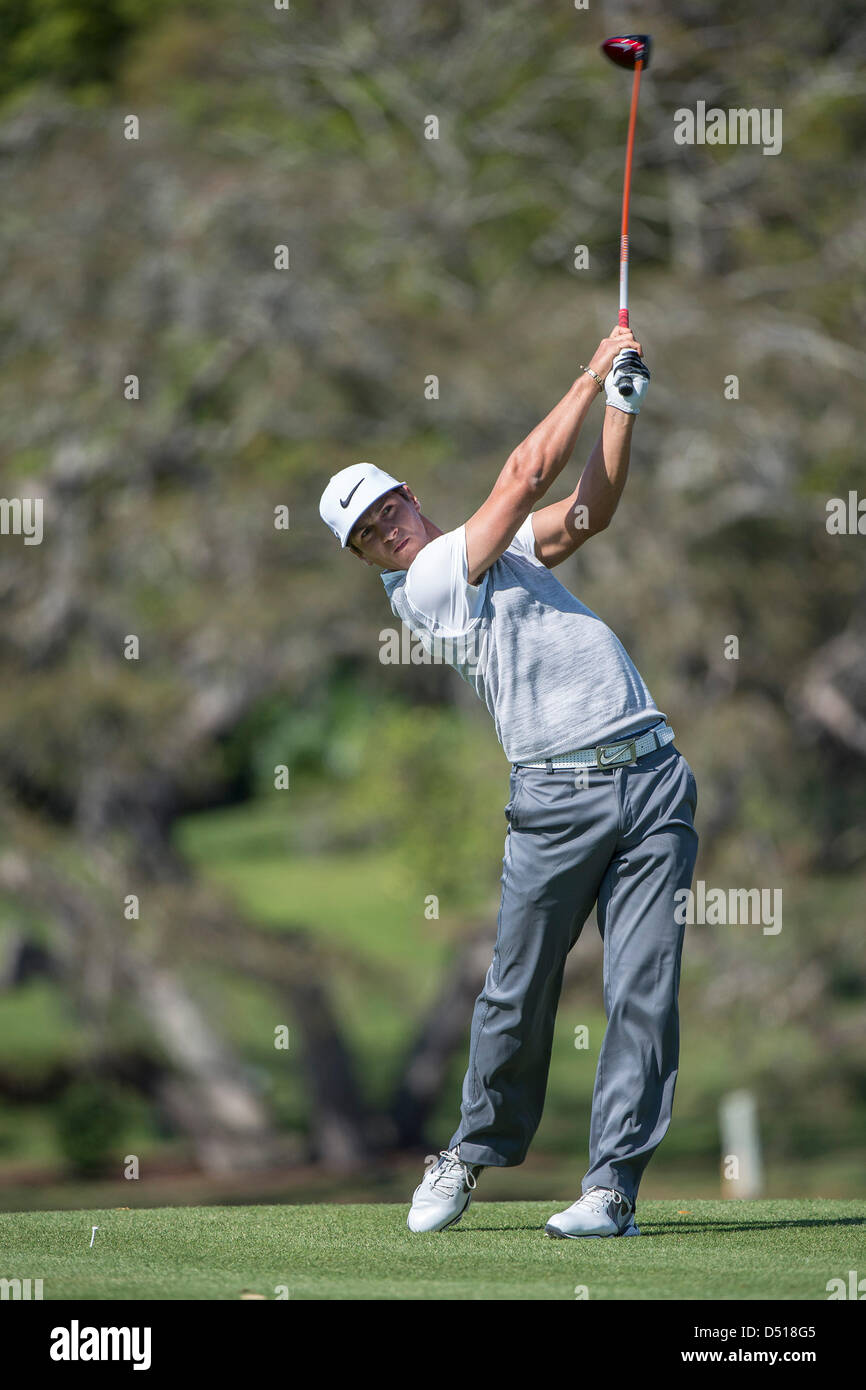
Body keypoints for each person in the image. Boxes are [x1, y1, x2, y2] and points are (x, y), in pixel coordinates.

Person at [319, 327, 699, 1238]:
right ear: (367, 561)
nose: (387, 532)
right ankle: (467, 1154)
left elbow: (584, 513)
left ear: (410, 496)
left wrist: (621, 407)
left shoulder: (489, 548)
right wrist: (589, 368)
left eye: (387, 511)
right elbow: (527, 472)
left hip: (652, 779)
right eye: (369, 537)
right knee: (517, 991)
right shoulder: (429, 586)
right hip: (556, 801)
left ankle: (612, 1188)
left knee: (643, 990)